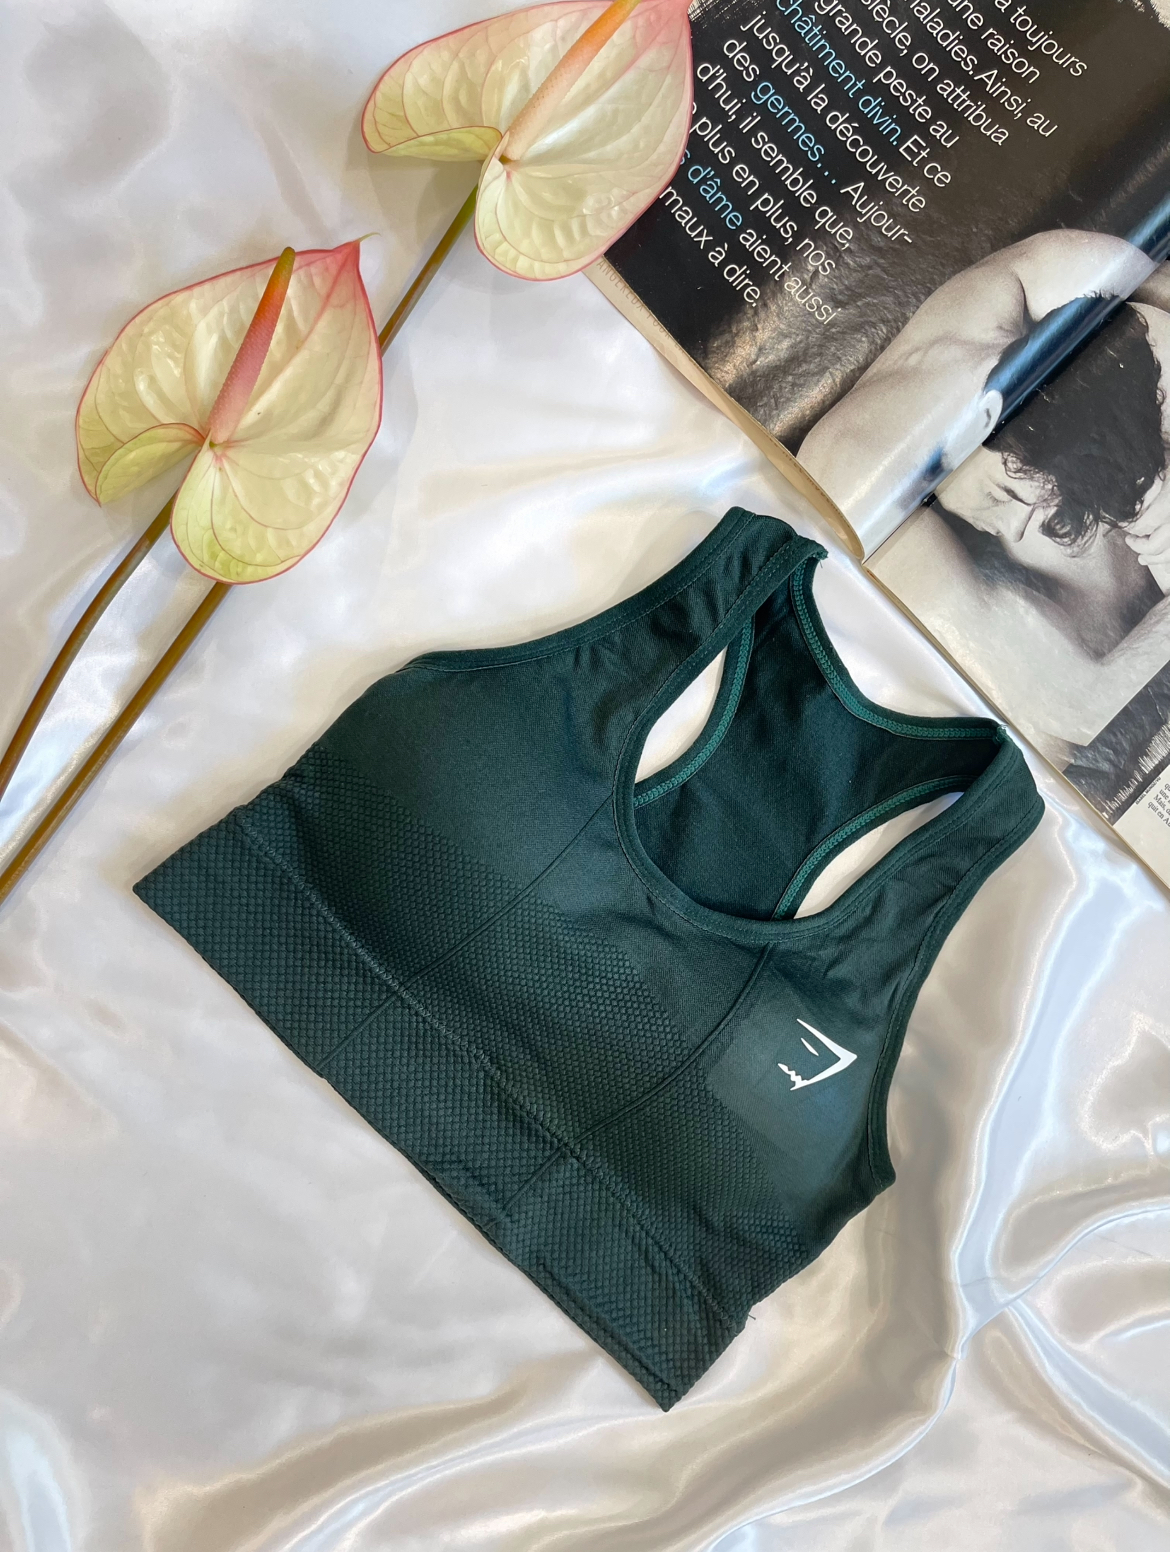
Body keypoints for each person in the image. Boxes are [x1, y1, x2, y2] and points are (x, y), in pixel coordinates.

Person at [879, 278, 1170, 774]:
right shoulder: (919, 548)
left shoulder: (1120, 378)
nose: (1013, 527)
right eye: (1002, 500)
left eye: (1010, 495)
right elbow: (1077, 713)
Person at [798, 230, 1159, 553]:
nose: (1015, 532)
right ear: (986, 415)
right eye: (1005, 494)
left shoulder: (1007, 290)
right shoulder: (855, 479)